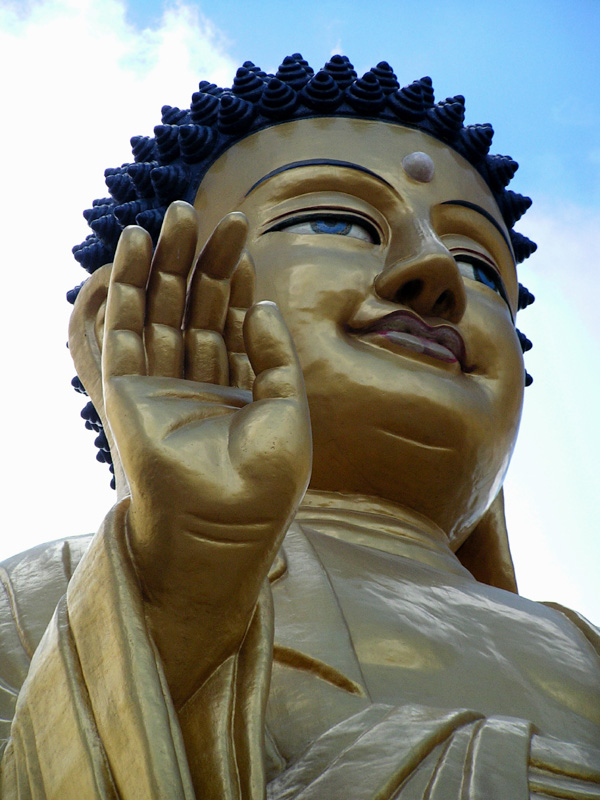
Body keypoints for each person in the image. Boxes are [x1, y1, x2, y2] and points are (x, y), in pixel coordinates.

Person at [1, 54, 598, 799]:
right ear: (132, 314)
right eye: (336, 221)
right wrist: (181, 607)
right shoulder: (43, 597)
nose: (437, 274)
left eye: (481, 269)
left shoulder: (586, 649)